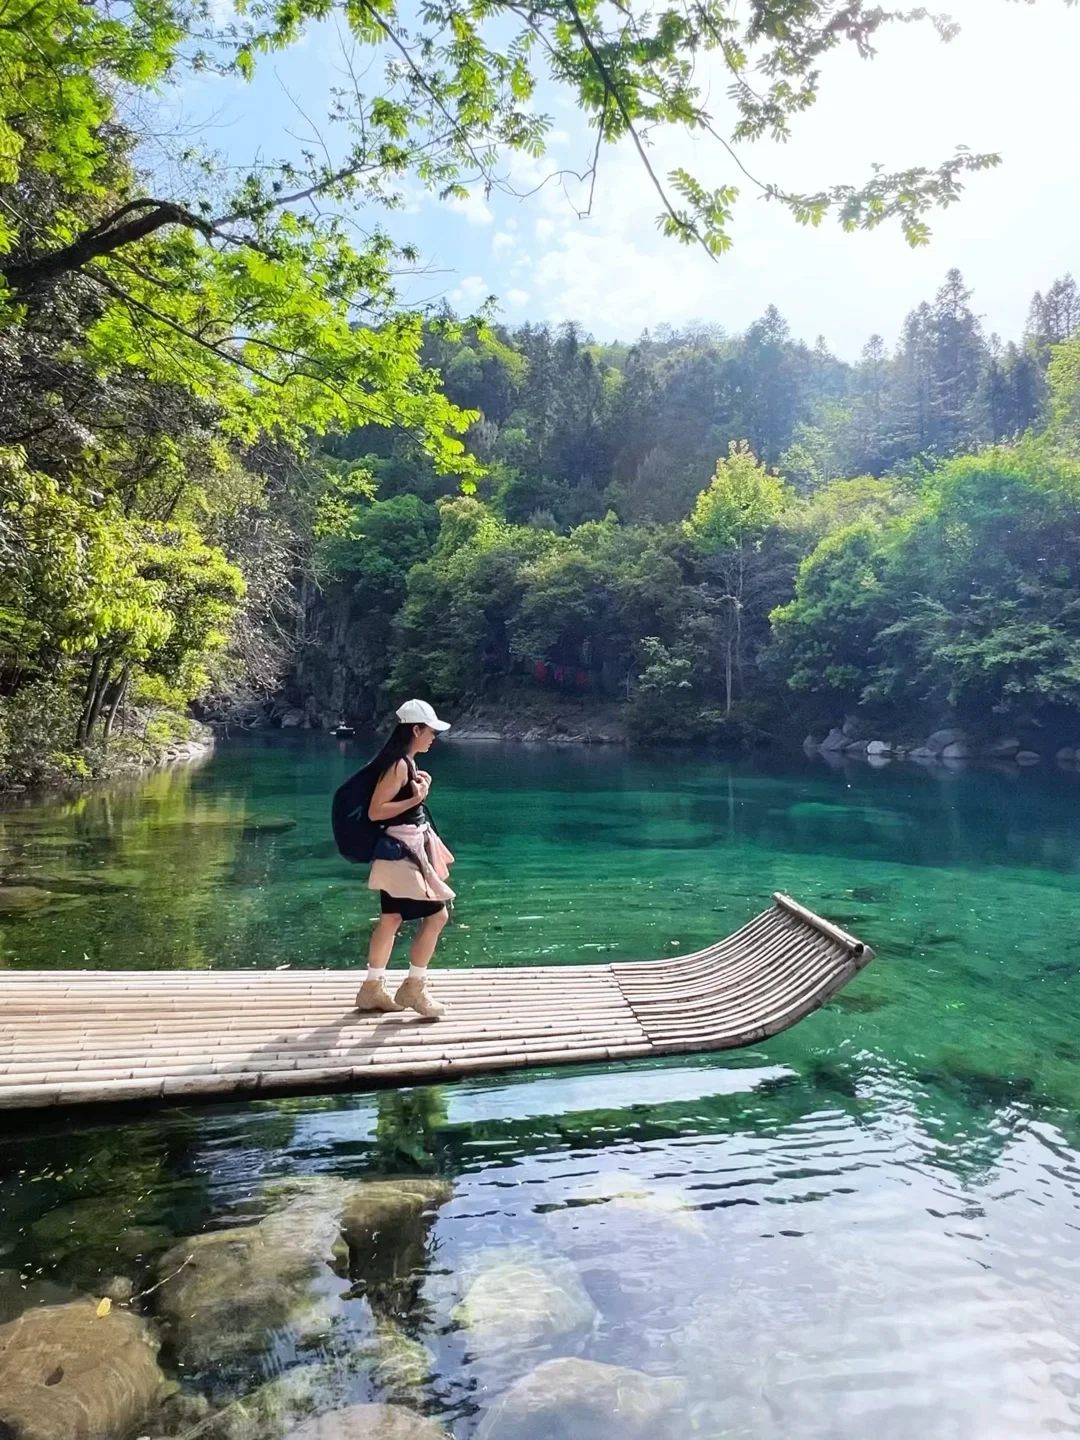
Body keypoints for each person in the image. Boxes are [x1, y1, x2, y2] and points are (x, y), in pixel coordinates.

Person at [354, 699, 455, 1019]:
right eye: (430, 731)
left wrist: (418, 793)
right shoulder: (399, 765)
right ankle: (413, 987)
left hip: (395, 855)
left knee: (392, 918)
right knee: (437, 917)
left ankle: (371, 989)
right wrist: (416, 798)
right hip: (403, 856)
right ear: (415, 729)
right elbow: (376, 811)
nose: (433, 737)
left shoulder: (402, 763)